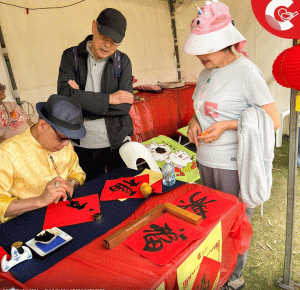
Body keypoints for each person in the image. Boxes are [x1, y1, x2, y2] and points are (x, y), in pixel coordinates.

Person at [183, 1, 280, 289]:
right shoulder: (205, 72)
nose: (200, 55)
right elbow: (200, 109)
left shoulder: (246, 71)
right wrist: (192, 122)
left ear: (226, 43)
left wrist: (228, 125)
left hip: (232, 166)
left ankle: (233, 279)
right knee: (212, 224)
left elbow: (272, 119)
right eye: (198, 48)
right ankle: (215, 273)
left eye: (207, 48)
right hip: (205, 161)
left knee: (234, 226)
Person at [57, 8, 134, 182]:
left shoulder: (123, 62)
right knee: (90, 194)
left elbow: (124, 106)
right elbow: (64, 96)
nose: (108, 46)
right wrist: (109, 99)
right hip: (82, 143)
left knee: (121, 191)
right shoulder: (71, 56)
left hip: (117, 141)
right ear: (94, 27)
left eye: (114, 43)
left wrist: (80, 97)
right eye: (104, 38)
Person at [0, 94, 86, 223]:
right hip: (25, 224)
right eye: (62, 138)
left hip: (65, 213)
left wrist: (71, 183)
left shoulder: (64, 145)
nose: (67, 144)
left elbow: (77, 172)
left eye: (70, 139)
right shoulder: (7, 152)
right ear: (42, 126)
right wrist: (39, 201)